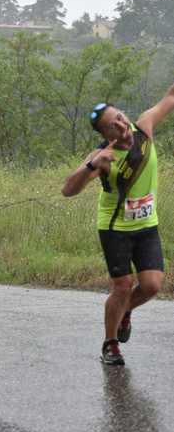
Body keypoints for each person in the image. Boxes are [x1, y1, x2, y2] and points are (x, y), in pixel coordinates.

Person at [62, 83, 174, 365]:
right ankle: (110, 344)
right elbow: (68, 190)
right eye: (113, 125)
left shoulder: (144, 128)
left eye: (121, 117)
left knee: (151, 285)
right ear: (105, 134)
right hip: (115, 229)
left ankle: (124, 312)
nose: (121, 125)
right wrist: (91, 165)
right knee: (123, 285)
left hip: (147, 225)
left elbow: (170, 96)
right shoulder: (101, 158)